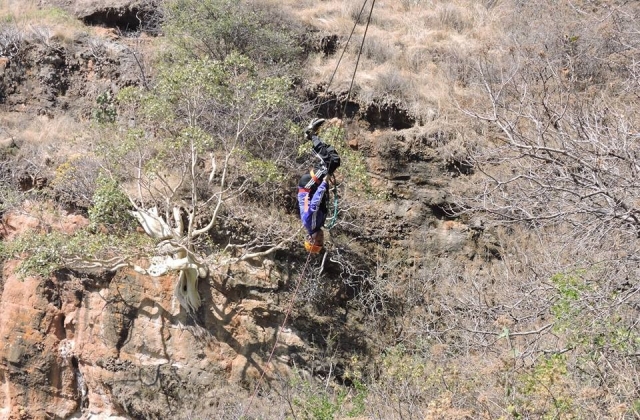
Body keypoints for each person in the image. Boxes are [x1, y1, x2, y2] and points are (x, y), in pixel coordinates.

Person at [297, 118, 341, 253]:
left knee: (328, 163)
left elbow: (315, 203)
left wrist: (324, 183)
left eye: (319, 241)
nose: (322, 238)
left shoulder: (312, 224)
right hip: (312, 187)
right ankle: (314, 137)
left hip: (307, 187)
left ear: (310, 239)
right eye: (323, 241)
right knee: (334, 161)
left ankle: (311, 134)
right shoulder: (317, 225)